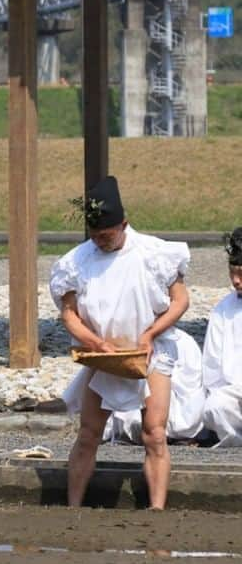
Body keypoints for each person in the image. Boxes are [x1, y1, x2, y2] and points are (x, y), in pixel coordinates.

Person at [50, 176, 198, 510]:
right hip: (104, 355)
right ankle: (73, 506)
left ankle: (157, 508)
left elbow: (180, 301)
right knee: (88, 434)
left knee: (154, 433)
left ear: (124, 224)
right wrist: (95, 342)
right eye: (95, 235)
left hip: (151, 351)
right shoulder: (75, 262)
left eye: (107, 235)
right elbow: (69, 314)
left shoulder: (154, 252)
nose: (100, 241)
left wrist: (150, 334)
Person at [200, 228, 242, 448]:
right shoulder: (223, 309)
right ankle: (235, 443)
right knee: (214, 407)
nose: (236, 282)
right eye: (232, 273)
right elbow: (212, 363)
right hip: (233, 392)